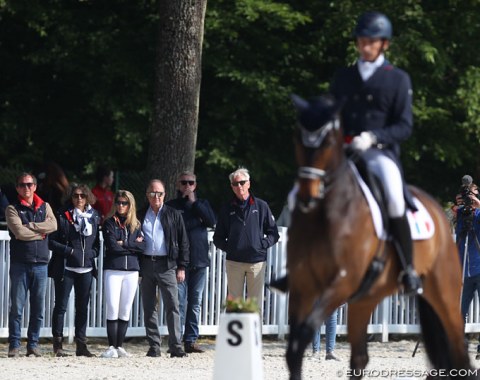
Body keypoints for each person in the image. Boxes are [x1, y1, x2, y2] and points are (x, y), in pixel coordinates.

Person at [330, 11, 421, 295]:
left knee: (394, 195)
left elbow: (404, 126)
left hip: (379, 153)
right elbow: (331, 113)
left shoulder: (398, 79)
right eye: (361, 40)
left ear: (384, 44)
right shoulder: (344, 77)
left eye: (371, 41)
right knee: (307, 189)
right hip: (344, 151)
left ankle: (408, 270)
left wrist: (373, 137)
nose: (365, 46)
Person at [213, 167, 279, 315]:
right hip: (234, 263)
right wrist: (231, 248)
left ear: (249, 183)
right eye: (235, 184)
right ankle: (236, 339)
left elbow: (273, 233)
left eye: (242, 182)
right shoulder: (226, 208)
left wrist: (262, 245)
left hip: (257, 263)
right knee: (234, 306)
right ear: (232, 187)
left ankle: (254, 339)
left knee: (254, 307)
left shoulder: (261, 206)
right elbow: (217, 238)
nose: (239, 186)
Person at [5, 172, 57, 357]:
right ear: (17, 187)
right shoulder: (12, 208)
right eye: (22, 185)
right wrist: (41, 231)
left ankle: (33, 344)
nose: (26, 188)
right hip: (20, 263)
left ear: (35, 186)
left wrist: (31, 226)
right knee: (17, 308)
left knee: (38, 309)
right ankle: (14, 345)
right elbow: (19, 233)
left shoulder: (45, 206)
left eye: (29, 184)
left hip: (41, 264)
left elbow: (54, 226)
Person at [48, 184, 101, 357]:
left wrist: (90, 255)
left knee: (83, 308)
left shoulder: (94, 216)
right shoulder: (62, 215)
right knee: (61, 306)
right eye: (76, 195)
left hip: (85, 268)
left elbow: (97, 247)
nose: (79, 199)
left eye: (82, 196)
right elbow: (51, 242)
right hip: (66, 267)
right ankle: (58, 345)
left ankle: (81, 345)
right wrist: (70, 251)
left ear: (88, 198)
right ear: (71, 197)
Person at [166, 171, 216, 353]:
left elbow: (212, 221)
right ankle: (177, 340)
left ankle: (191, 340)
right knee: (179, 302)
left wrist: (194, 203)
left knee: (195, 303)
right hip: (180, 263)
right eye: (184, 183)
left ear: (195, 185)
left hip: (200, 261)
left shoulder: (202, 204)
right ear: (178, 185)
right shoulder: (171, 206)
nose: (187, 186)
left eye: (191, 183)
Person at [139, 179, 189, 358]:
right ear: (147, 195)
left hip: (167, 265)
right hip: (146, 264)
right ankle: (154, 346)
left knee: (173, 306)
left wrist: (181, 266)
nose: (156, 197)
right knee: (149, 306)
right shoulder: (140, 215)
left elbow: (183, 241)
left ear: (164, 194)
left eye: (159, 193)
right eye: (152, 193)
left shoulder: (173, 214)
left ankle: (176, 346)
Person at [101, 190, 145, 358]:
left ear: (130, 205)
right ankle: (111, 346)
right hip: (113, 270)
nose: (120, 205)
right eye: (118, 202)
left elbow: (143, 246)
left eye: (124, 203)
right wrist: (132, 245)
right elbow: (112, 246)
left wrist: (125, 243)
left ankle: (120, 346)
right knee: (113, 308)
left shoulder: (136, 224)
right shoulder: (109, 223)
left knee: (125, 310)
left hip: (132, 271)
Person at [455, 182, 480, 358]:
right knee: (460, 310)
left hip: (479, 267)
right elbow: (459, 236)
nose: (469, 198)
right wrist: (459, 214)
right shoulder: (463, 215)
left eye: (472, 194)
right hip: (466, 271)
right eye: (467, 195)